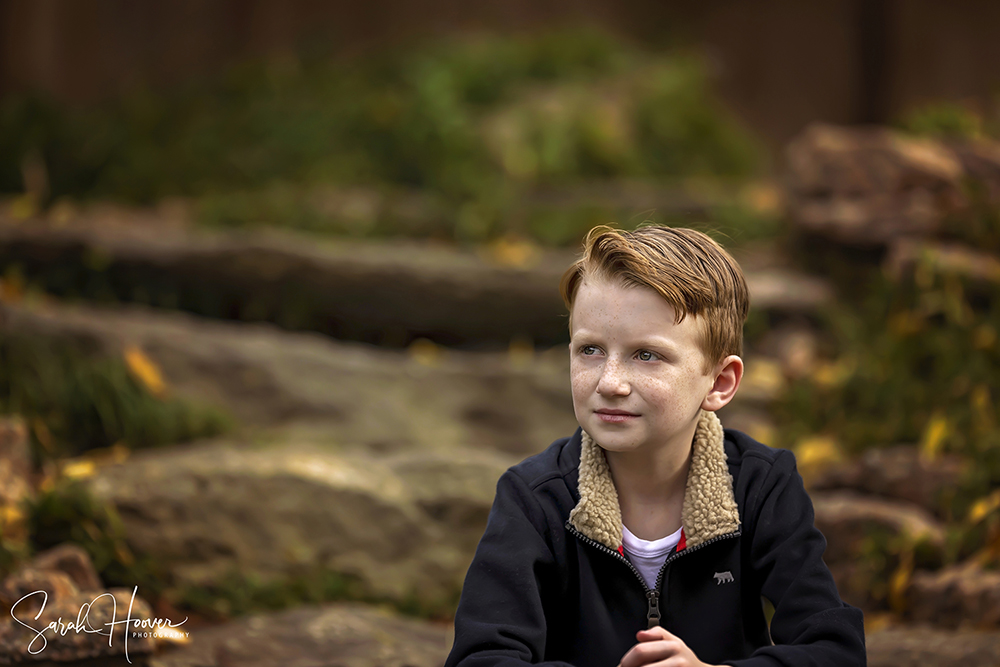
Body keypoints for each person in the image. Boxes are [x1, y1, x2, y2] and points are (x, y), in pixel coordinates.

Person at [444, 224, 866, 667]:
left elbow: (836, 650)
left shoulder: (761, 486)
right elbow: (481, 658)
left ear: (720, 383)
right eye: (590, 350)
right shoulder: (533, 498)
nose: (610, 383)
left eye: (646, 355)